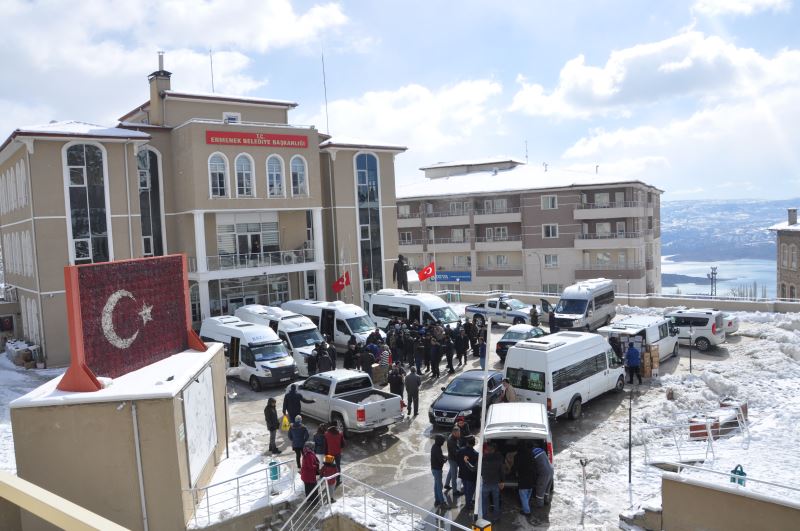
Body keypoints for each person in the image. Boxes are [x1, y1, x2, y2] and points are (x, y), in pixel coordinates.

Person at [480, 442, 504, 522]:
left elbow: (474, 469)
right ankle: (496, 517)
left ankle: (485, 518)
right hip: (495, 484)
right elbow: (501, 471)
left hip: (486, 484)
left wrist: (466, 462)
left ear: (486, 450)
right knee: (496, 501)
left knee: (484, 502)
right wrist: (502, 481)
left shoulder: (482, 459)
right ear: (493, 450)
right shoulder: (498, 459)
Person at [457, 436, 479, 509]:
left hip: (463, 474)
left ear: (467, 443)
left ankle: (468, 502)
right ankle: (468, 504)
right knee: (470, 491)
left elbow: (458, 461)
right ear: (474, 444)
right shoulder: (476, 454)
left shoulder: (461, 450)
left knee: (466, 489)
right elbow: (475, 467)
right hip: (471, 476)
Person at [514, 441, 536, 516]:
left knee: (523, 496)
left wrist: (513, 473)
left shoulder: (517, 456)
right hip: (531, 478)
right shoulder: (531, 454)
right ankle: (525, 507)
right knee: (527, 495)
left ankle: (527, 512)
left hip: (523, 479)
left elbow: (515, 467)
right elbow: (535, 464)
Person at [431, 434, 448, 509]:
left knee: (436, 485)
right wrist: (445, 459)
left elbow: (439, 456)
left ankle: (437, 500)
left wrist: (444, 456)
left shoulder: (435, 446)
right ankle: (442, 502)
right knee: (439, 486)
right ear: (439, 441)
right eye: (442, 441)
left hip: (434, 469)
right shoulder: (437, 448)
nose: (443, 443)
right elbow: (440, 460)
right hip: (437, 469)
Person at [444, 426, 461, 495]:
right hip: (453, 460)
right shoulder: (451, 441)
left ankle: (447, 485)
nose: (459, 434)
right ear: (454, 433)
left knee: (451, 472)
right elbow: (455, 452)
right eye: (458, 433)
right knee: (454, 476)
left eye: (459, 432)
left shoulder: (453, 437)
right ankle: (455, 491)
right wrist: (461, 451)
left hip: (452, 458)